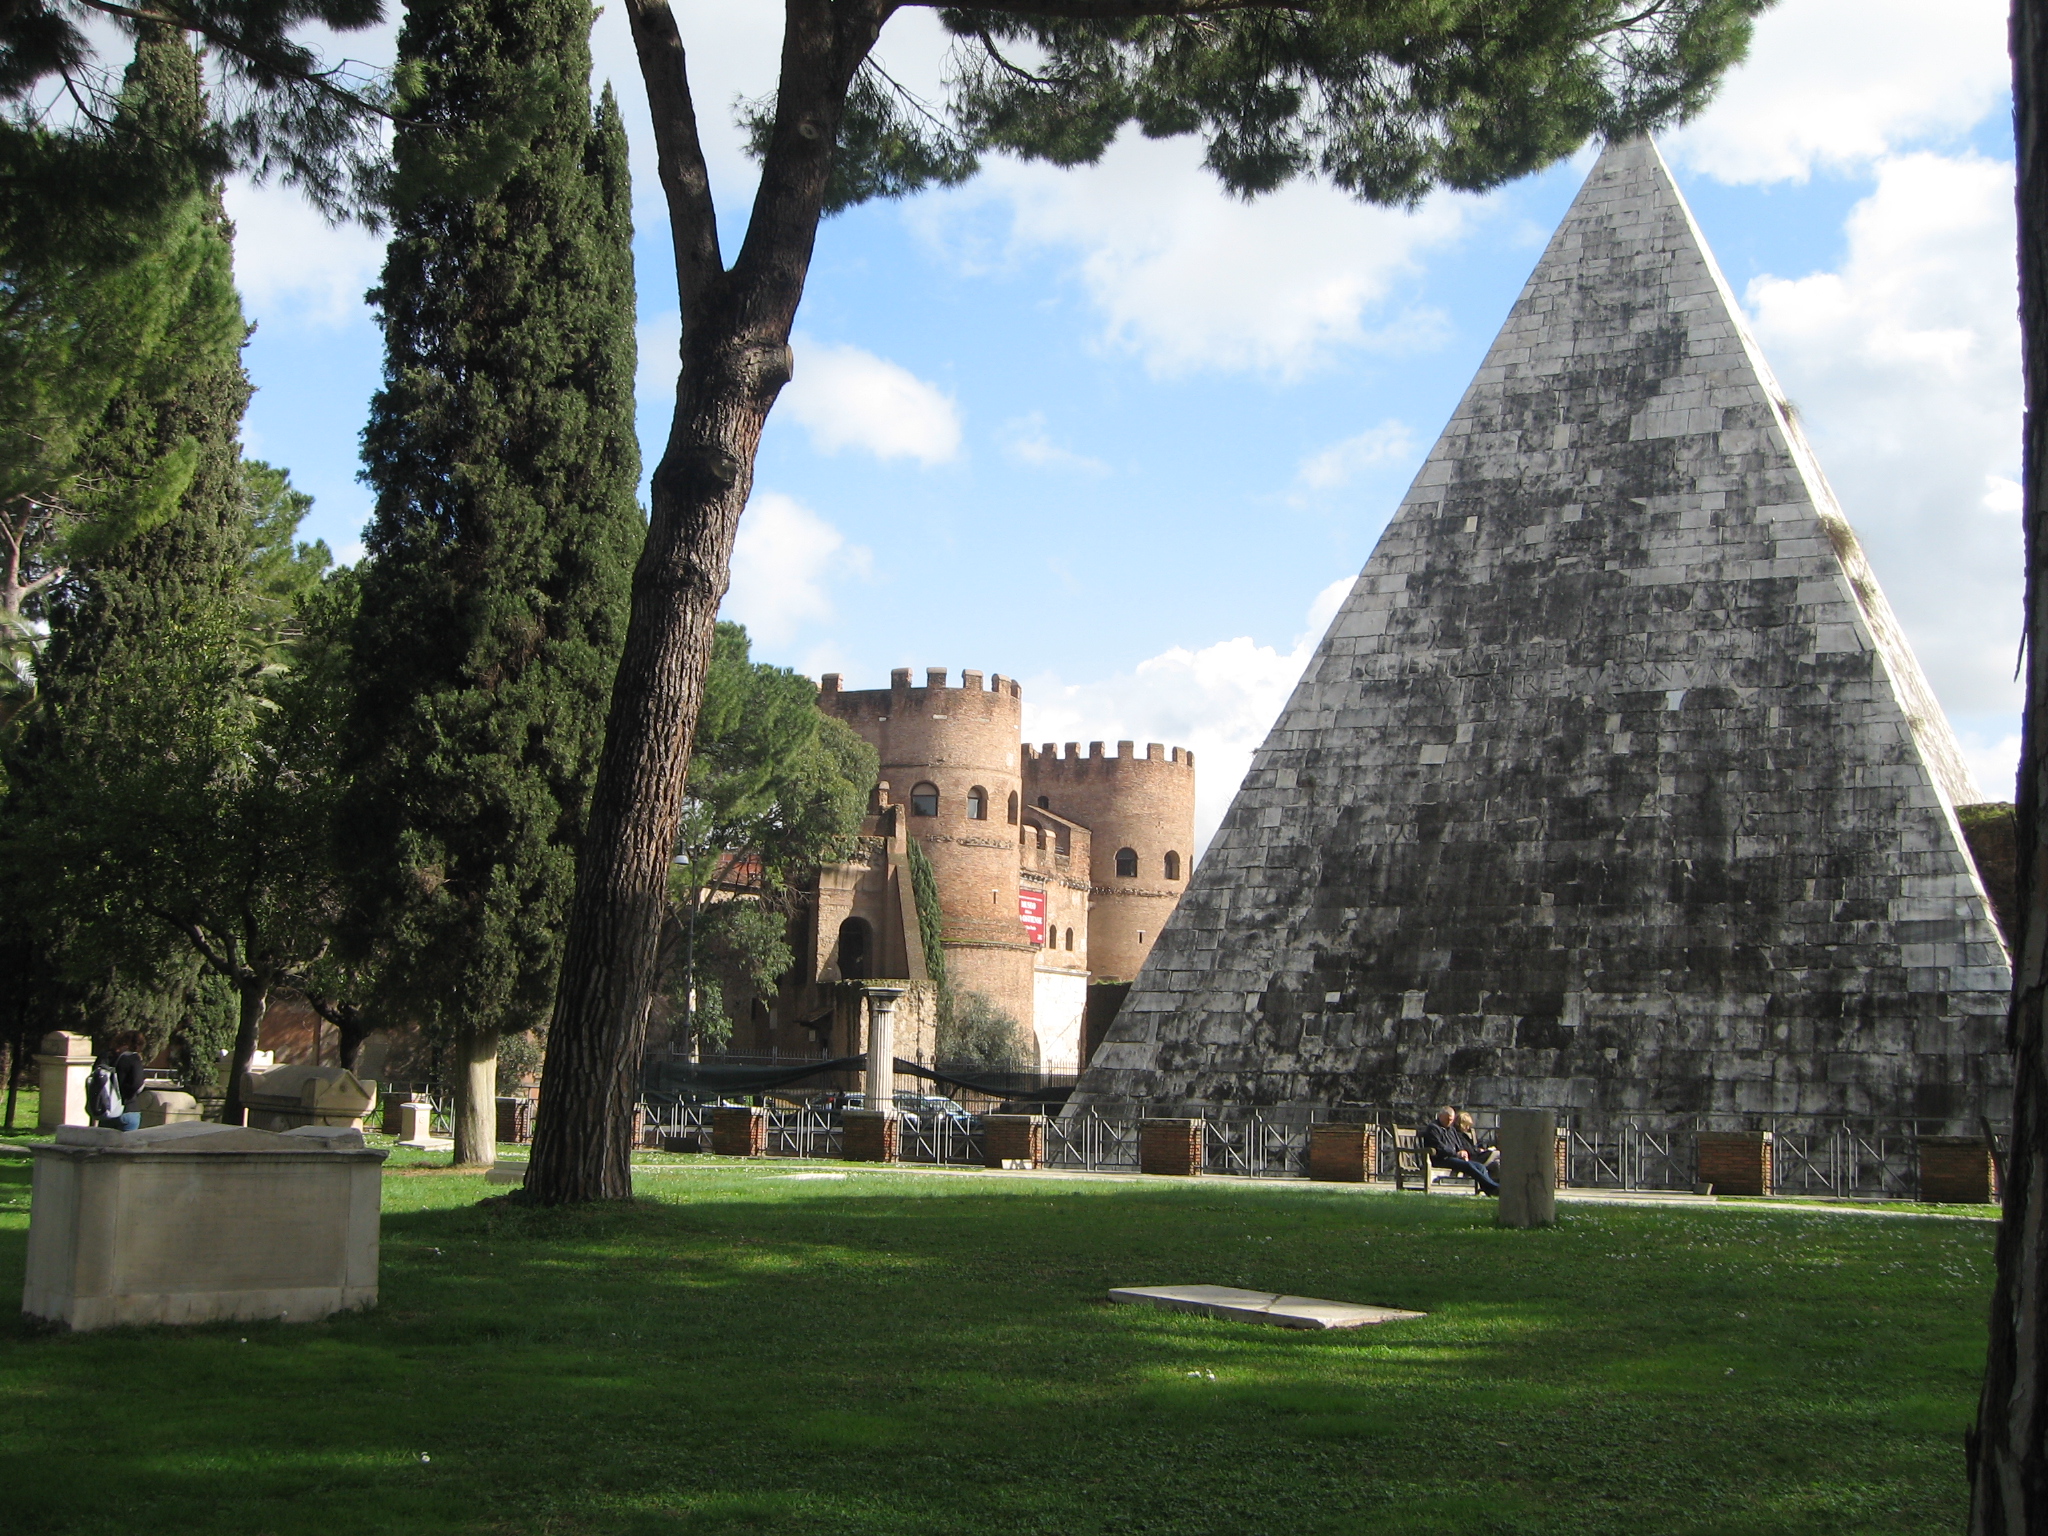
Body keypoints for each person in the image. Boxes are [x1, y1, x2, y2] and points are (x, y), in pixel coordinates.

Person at [1419, 1105, 1498, 1195]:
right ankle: (1494, 1187)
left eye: (1451, 1120)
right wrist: (1456, 1153)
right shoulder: (1433, 1128)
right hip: (1441, 1159)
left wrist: (1462, 1151)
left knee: (1480, 1166)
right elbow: (1440, 1148)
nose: (1449, 1122)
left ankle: (1489, 1190)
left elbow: (1458, 1144)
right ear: (1440, 1116)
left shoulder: (1451, 1129)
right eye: (1447, 1119)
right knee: (1468, 1166)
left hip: (1453, 1158)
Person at [89, 1034, 146, 1132]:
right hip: (128, 1109)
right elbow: (136, 1083)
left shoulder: (105, 1057)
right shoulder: (133, 1058)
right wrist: (124, 1096)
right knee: (126, 1145)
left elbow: (95, 1081)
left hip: (107, 1109)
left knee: (104, 1145)